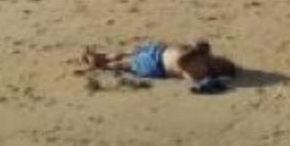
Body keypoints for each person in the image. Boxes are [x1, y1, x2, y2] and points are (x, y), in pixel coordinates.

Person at [80, 39, 237, 91]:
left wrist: (195, 50)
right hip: (159, 50)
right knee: (127, 53)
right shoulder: (206, 57)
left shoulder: (202, 72)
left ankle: (102, 65)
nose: (220, 59)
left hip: (156, 65)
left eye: (222, 62)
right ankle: (99, 56)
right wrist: (200, 48)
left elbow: (180, 62)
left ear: (218, 69)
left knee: (125, 63)